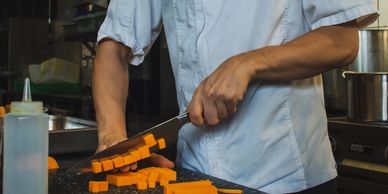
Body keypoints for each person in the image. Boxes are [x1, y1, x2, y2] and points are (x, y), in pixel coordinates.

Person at [92, 1, 378, 193]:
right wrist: (112, 135)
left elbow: (342, 41)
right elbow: (115, 45)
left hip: (286, 177)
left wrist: (247, 64)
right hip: (194, 175)